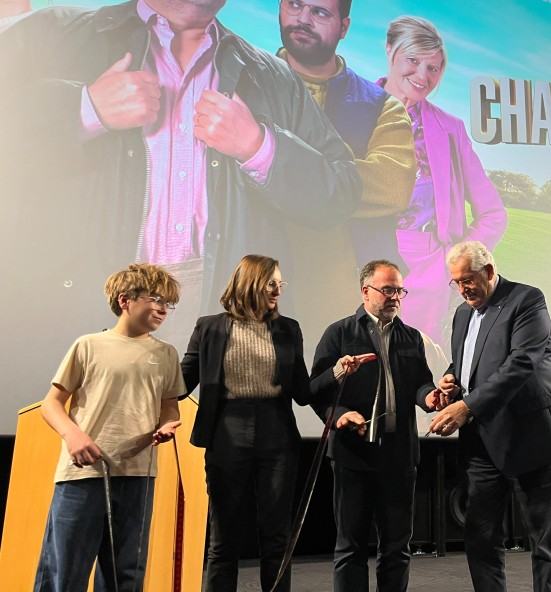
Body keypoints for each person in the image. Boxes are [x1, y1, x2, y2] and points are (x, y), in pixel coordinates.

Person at [0, 0, 362, 396]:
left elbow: (339, 193)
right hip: (70, 311)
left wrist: (259, 146)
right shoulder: (52, 33)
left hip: (220, 324)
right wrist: (84, 108)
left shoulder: (274, 77)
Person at [427, 241, 551, 592]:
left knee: (544, 542)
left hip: (531, 436)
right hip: (481, 443)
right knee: (480, 538)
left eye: (468, 279)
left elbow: (521, 363)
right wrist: (452, 380)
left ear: (489, 271)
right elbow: (469, 361)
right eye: (456, 282)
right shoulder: (462, 313)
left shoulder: (526, 299)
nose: (463, 289)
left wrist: (467, 406)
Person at [34, 263, 185, 592]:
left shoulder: (166, 354)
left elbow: (169, 407)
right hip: (83, 474)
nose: (163, 308)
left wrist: (167, 425)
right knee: (65, 571)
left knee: (125, 574)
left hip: (138, 475)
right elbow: (51, 404)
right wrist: (73, 435)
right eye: (155, 299)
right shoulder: (88, 345)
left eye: (168, 303)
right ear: (125, 300)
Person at [278, 0, 416, 335]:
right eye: (294, 4)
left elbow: (392, 186)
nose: (303, 18)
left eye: (320, 12)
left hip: (342, 304)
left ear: (344, 26)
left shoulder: (382, 106)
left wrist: (270, 162)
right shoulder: (244, 84)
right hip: (258, 289)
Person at [180, 255, 317, 592]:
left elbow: (302, 392)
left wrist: (339, 371)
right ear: (250, 282)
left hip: (278, 434)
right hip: (227, 432)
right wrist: (148, 363)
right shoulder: (209, 327)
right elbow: (181, 383)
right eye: (272, 284)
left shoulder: (288, 329)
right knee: (224, 537)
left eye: (280, 285)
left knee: (276, 537)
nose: (278, 291)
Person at [309, 259, 439, 592]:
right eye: (388, 290)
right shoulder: (339, 333)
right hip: (353, 455)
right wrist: (340, 415)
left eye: (400, 291)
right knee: (350, 547)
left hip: (399, 456)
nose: (395, 297)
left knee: (397, 547)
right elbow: (316, 391)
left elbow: (420, 384)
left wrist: (430, 397)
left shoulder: (411, 337)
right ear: (365, 291)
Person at [378, 16, 508, 349]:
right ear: (389, 49)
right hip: (355, 260)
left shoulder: (450, 129)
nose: (423, 75)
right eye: (413, 60)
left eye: (433, 68)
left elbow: (493, 214)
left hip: (426, 272)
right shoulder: (349, 106)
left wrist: (453, 264)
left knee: (417, 367)